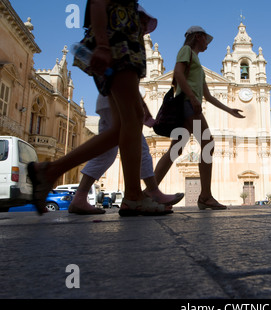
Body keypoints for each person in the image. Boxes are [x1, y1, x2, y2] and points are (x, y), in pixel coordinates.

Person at [27, 0, 167, 216]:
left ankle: (50, 170)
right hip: (117, 45)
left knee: (121, 128)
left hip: (121, 45)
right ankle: (133, 196)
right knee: (130, 122)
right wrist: (102, 45)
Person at [154, 26, 245, 210]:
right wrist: (193, 97)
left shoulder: (198, 65)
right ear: (198, 37)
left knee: (176, 150)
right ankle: (205, 196)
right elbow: (178, 74)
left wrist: (229, 110)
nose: (208, 44)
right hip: (188, 105)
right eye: (206, 39)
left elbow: (209, 96)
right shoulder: (186, 50)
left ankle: (150, 191)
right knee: (208, 144)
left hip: (189, 105)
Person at [68, 94, 184, 215]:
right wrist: (141, 107)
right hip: (122, 103)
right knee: (139, 149)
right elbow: (127, 79)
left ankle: (79, 197)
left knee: (106, 153)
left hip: (114, 101)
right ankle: (150, 193)